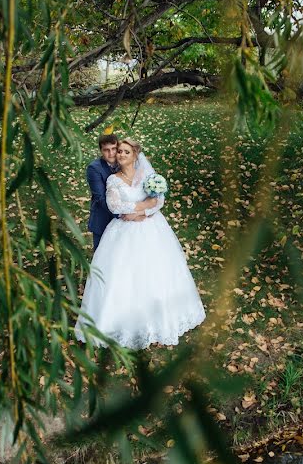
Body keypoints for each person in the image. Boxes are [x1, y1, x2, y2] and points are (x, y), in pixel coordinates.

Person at [75, 138, 206, 350]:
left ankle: (159, 318)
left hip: (151, 228)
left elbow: (159, 201)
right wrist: (139, 207)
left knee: (155, 270)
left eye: (125, 152)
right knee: (122, 273)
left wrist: (142, 211)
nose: (120, 155)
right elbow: (114, 204)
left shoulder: (148, 176)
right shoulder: (113, 180)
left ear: (135, 155)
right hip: (123, 231)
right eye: (120, 152)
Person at [86, 133, 147, 250]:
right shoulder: (94, 168)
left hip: (129, 222)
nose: (111, 153)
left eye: (114, 149)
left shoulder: (125, 161)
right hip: (104, 218)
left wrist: (139, 212)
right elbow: (100, 198)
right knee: (102, 256)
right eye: (106, 150)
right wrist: (125, 214)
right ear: (101, 151)